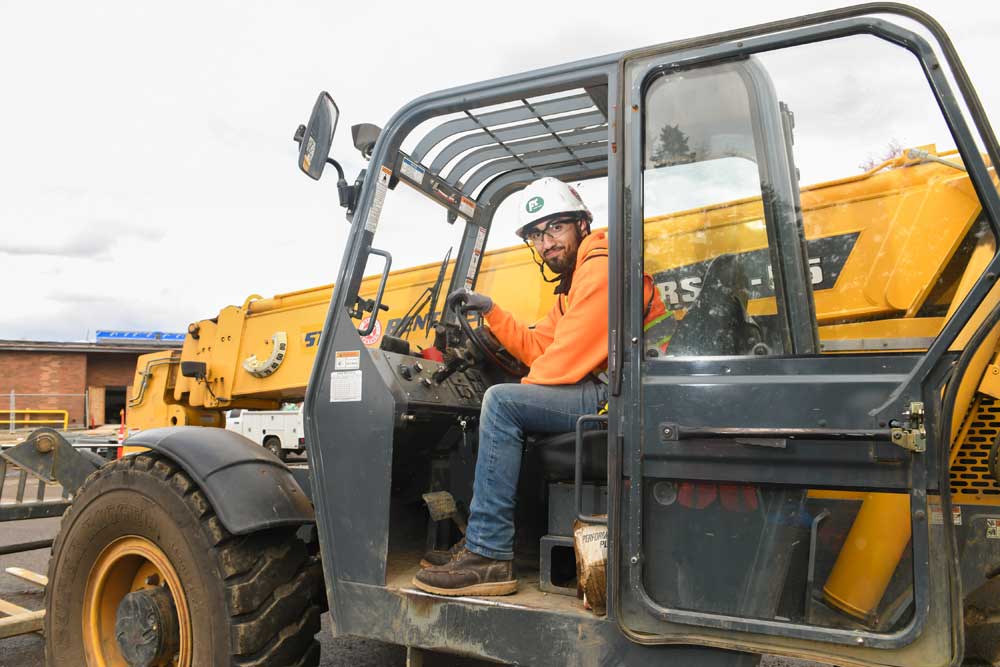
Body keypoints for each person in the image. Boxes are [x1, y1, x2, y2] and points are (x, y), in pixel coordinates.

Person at [412, 177, 666, 597]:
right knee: (507, 403)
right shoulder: (575, 285)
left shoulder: (601, 270)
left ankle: (489, 554)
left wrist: (514, 397)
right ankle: (494, 541)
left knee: (502, 403)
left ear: (582, 225)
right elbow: (539, 346)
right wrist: (492, 312)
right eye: (536, 235)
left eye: (555, 228)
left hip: (623, 396)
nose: (546, 244)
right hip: (616, 389)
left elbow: (560, 364)